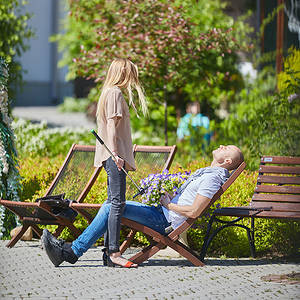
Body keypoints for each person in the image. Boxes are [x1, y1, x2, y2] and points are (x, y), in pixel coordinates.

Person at [41, 145, 244, 268]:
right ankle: (95, 252)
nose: (222, 146)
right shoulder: (207, 174)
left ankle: (72, 252)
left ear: (226, 161)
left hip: (163, 220)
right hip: (161, 211)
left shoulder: (213, 179)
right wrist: (167, 195)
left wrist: (169, 204)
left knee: (113, 205)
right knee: (112, 204)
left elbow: (195, 211)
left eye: (227, 149)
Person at [94, 58, 148, 267]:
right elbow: (111, 126)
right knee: (117, 203)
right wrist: (117, 154)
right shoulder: (115, 93)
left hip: (110, 156)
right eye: (131, 74)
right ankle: (114, 253)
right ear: (124, 73)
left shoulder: (107, 92)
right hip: (114, 156)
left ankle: (109, 254)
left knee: (112, 203)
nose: (133, 79)